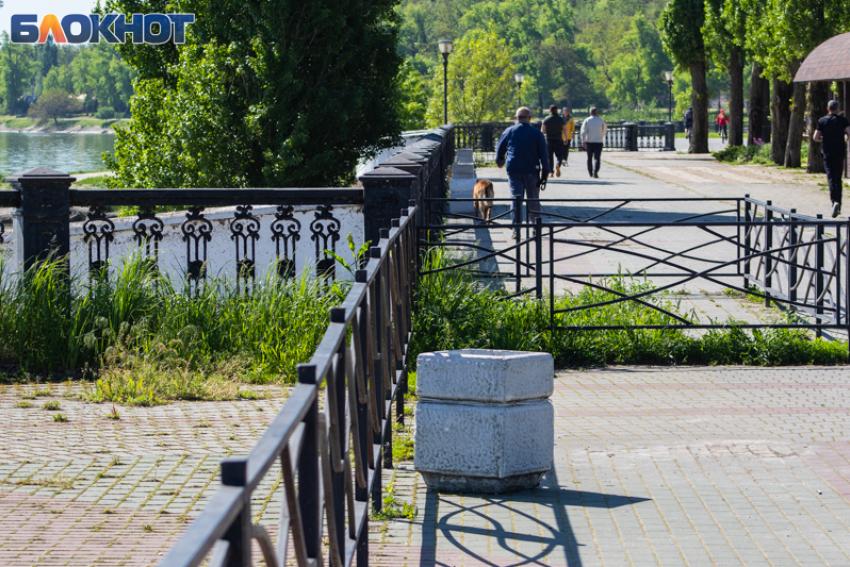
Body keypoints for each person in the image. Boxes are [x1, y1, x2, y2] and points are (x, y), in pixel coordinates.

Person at [496, 106, 549, 239]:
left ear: (516, 118)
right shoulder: (537, 133)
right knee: (533, 199)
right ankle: (536, 227)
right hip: (532, 170)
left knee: (516, 199)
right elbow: (544, 154)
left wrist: (500, 161)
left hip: (514, 169)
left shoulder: (509, 131)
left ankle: (516, 229)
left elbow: (500, 148)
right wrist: (545, 171)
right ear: (529, 118)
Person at [813, 100, 850, 218]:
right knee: (838, 177)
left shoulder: (822, 121)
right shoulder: (843, 121)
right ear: (838, 109)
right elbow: (849, 133)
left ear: (828, 109)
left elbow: (815, 137)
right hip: (840, 151)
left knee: (831, 177)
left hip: (828, 152)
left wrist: (825, 139)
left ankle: (834, 202)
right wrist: (844, 140)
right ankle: (838, 203)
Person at [580, 107, 607, 178]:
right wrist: (601, 135)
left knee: (589, 157)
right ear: (597, 113)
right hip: (598, 141)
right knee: (597, 157)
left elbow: (583, 131)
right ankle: (595, 171)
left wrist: (583, 141)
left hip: (589, 141)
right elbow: (604, 130)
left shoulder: (587, 120)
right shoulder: (601, 120)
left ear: (590, 113)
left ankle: (590, 171)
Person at [541, 104, 566, 179]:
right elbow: (565, 129)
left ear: (549, 111)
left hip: (549, 140)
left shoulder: (546, 119)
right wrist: (566, 138)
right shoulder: (560, 119)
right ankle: (558, 164)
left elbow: (542, 131)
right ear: (556, 110)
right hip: (558, 139)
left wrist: (541, 139)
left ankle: (551, 172)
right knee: (560, 155)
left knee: (549, 157)